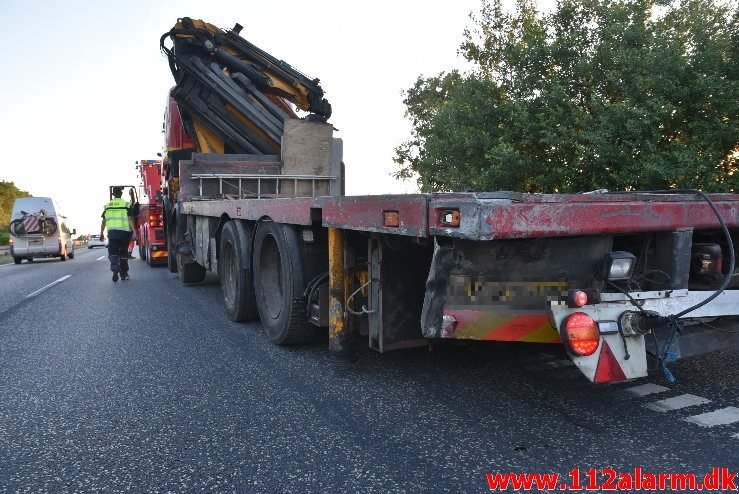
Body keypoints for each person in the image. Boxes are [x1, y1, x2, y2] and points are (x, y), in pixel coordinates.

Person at [100, 187, 137, 282]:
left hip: (112, 234)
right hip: (125, 233)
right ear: (121, 194)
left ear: (113, 195)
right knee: (123, 253)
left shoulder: (107, 206)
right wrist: (134, 231)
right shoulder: (126, 205)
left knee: (113, 252)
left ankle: (115, 266)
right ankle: (124, 274)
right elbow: (130, 218)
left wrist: (101, 233)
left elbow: (103, 221)